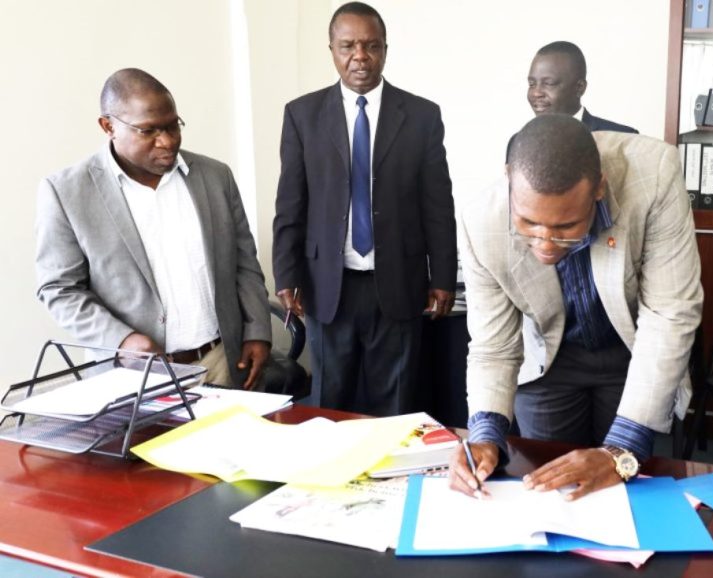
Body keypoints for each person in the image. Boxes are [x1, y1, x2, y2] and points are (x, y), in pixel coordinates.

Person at [450, 115, 703, 500]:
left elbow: (670, 313)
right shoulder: (479, 221)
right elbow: (493, 346)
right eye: (529, 222)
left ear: (598, 188)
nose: (546, 243)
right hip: (549, 360)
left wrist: (621, 450)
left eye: (566, 226)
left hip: (632, 351)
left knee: (623, 487)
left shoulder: (653, 176)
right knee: (551, 488)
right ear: (509, 180)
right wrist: (484, 435)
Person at [272, 2, 457, 415]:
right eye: (348, 46)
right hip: (327, 285)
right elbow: (290, 204)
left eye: (371, 45)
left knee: (396, 401)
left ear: (385, 49)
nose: (360, 56)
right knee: (330, 400)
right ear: (332, 50)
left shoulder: (422, 116)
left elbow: (438, 204)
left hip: (399, 281)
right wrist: (286, 274)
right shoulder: (302, 115)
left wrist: (442, 276)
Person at [36, 68, 271, 388]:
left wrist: (257, 330)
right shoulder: (67, 192)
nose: (167, 141)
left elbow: (243, 262)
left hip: (220, 362)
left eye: (173, 125)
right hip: (133, 376)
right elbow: (59, 289)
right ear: (108, 126)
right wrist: (122, 340)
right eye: (149, 131)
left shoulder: (215, 177)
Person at [506, 41, 637, 160]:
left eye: (549, 83)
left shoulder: (624, 139)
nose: (536, 93)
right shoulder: (519, 142)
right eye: (532, 84)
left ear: (579, 88)